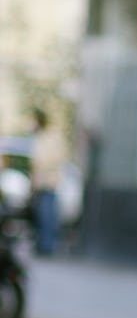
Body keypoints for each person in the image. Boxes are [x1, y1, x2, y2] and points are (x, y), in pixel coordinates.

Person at [30, 109, 66, 256]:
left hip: (48, 184)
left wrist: (39, 177)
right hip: (42, 184)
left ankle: (47, 246)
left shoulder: (49, 138)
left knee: (47, 216)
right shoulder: (41, 138)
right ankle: (43, 245)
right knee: (43, 215)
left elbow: (46, 161)